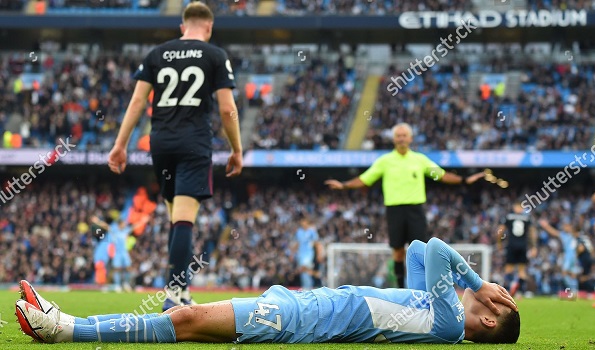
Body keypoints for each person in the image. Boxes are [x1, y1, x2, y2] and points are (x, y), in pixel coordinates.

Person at [16, 238, 520, 345]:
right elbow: (416, 248)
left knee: (184, 320)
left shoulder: (451, 322)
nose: (483, 294)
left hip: (306, 318)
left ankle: (63, 328)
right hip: (306, 308)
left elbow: (434, 247)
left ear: (491, 319)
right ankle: (64, 325)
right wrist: (475, 284)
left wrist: (479, 282)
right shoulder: (436, 313)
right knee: (185, 320)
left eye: (493, 302)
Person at [107, 1, 243, 310]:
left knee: (175, 217)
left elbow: (137, 101)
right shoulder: (215, 55)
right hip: (194, 143)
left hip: (161, 143)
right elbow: (226, 108)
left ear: (182, 27)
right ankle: (174, 293)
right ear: (208, 27)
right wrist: (236, 149)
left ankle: (180, 291)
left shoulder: (157, 54)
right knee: (183, 218)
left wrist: (120, 144)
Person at [325, 123, 485, 288]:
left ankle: (423, 288)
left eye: (404, 136)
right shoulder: (385, 161)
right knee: (398, 251)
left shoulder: (419, 159)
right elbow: (365, 178)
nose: (401, 139)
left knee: (421, 251)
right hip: (394, 211)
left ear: (410, 138)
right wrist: (344, 185)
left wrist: (465, 180)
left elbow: (441, 175)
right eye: (398, 136)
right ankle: (401, 288)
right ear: (394, 139)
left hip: (415, 210)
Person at [92, 215, 150, 292]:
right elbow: (106, 226)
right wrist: (97, 222)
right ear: (120, 224)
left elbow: (134, 226)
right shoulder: (114, 230)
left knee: (128, 268)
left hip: (124, 253)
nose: (125, 225)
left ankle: (126, 283)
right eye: (123, 224)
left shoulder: (125, 230)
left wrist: (143, 221)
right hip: (117, 253)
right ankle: (117, 285)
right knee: (116, 269)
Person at [497, 202, 537, 296]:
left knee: (508, 269)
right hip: (523, 245)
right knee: (522, 270)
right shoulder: (527, 218)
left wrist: (499, 242)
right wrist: (534, 246)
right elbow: (532, 232)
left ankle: (507, 291)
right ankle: (519, 292)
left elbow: (500, 230)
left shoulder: (508, 217)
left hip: (511, 245)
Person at [538, 218, 579, 297]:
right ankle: (574, 291)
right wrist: (546, 226)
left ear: (570, 227)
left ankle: (574, 291)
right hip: (568, 255)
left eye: (567, 226)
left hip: (571, 256)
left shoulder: (574, 234)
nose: (565, 228)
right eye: (565, 226)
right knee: (569, 274)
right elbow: (554, 232)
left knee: (566, 273)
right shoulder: (563, 235)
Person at [291, 217, 320, 290]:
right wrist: (292, 253)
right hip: (301, 254)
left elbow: (316, 243)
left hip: (309, 253)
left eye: (304, 222)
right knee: (304, 271)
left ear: (307, 223)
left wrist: (319, 254)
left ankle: (308, 287)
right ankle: (307, 287)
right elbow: (298, 243)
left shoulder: (312, 232)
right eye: (302, 222)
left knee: (304, 268)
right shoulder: (299, 232)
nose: (303, 223)